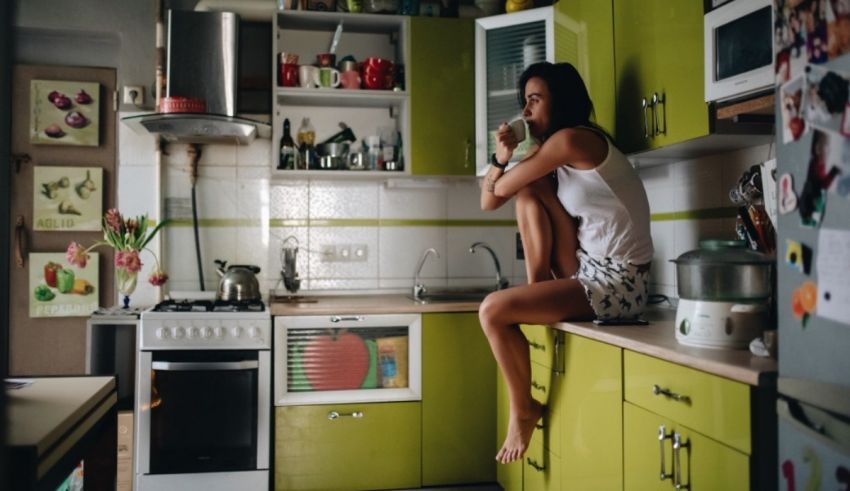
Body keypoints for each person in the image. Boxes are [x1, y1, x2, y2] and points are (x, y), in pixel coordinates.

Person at [478, 62, 653, 464]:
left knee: (492, 310)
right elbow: (489, 201)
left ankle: (523, 410)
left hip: (621, 283)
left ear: (561, 101)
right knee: (528, 193)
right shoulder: (551, 151)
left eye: (535, 100)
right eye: (525, 102)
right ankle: (537, 287)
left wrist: (502, 159)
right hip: (588, 268)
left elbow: (495, 192)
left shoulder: (573, 140)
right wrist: (502, 159)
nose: (526, 112)